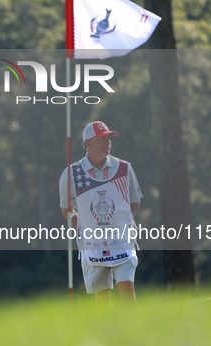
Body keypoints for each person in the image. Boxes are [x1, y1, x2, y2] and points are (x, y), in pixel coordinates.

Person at [59, 121, 142, 305]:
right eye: (101, 139)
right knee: (102, 295)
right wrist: (81, 228)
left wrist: (119, 223)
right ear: (87, 144)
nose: (107, 142)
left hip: (122, 240)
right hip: (92, 244)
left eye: (108, 138)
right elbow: (67, 209)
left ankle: (134, 330)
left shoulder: (124, 168)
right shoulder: (72, 174)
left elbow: (134, 202)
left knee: (127, 286)